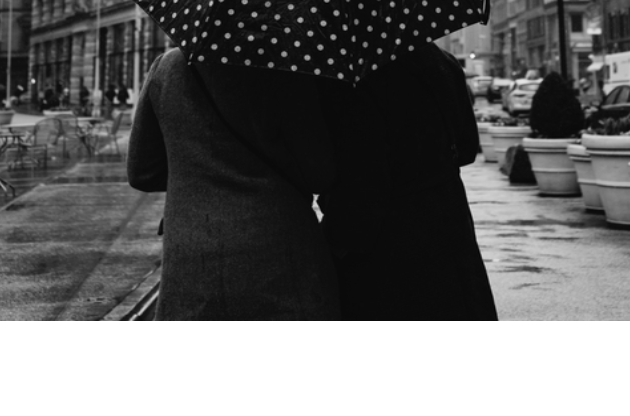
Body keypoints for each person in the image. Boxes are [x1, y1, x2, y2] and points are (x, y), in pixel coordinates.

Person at [127, 47, 340, 320]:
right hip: (281, 253)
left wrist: (194, 174)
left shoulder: (168, 67)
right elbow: (321, 173)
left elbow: (142, 172)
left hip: (192, 258)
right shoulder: (290, 68)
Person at [317, 41, 498, 320]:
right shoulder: (443, 61)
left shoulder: (359, 72)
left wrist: (332, 244)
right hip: (451, 230)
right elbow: (467, 148)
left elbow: (362, 184)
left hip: (387, 250)